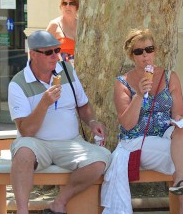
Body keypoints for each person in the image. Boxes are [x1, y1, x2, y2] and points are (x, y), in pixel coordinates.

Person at [8, 30, 110, 214]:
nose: (56, 56)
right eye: (49, 52)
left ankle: (59, 203)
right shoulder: (18, 83)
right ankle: (22, 210)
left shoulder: (67, 70)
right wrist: (44, 103)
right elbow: (25, 131)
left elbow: (83, 104)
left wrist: (93, 122)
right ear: (33, 54)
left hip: (71, 142)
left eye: (57, 50)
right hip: (36, 143)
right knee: (22, 153)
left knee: (101, 159)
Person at [101, 28, 183, 214]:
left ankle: (182, 183)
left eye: (149, 49)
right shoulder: (122, 82)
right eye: (139, 51)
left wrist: (179, 120)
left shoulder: (170, 76)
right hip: (136, 140)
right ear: (132, 55)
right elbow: (127, 124)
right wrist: (139, 94)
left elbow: (179, 112)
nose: (145, 55)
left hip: (166, 132)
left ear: (155, 51)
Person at [46, 0, 79, 64]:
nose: (67, 6)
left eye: (71, 3)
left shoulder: (82, 25)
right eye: (64, 3)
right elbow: (42, 48)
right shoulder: (54, 25)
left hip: (82, 70)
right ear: (61, 7)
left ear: (77, 7)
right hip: (61, 71)